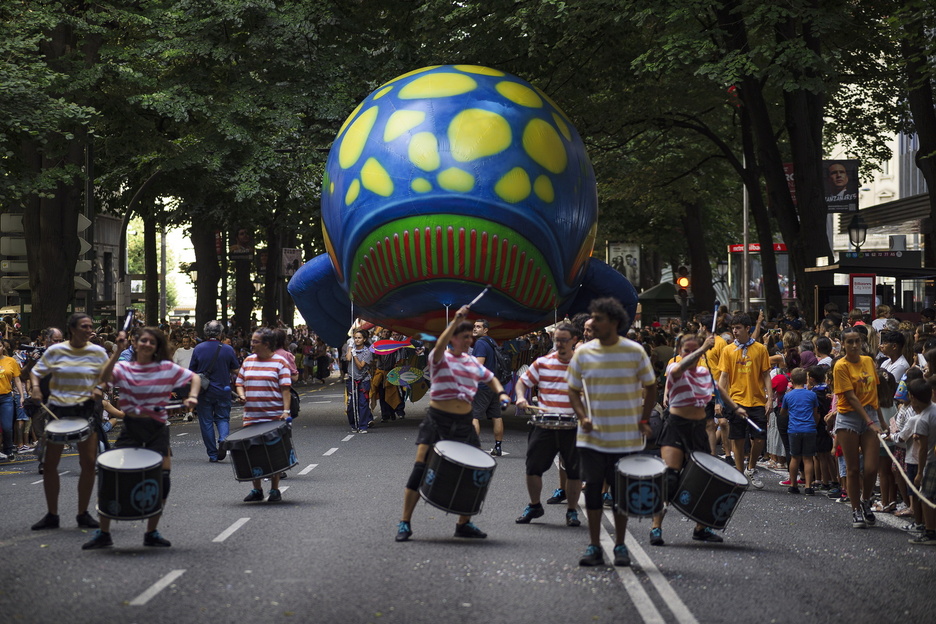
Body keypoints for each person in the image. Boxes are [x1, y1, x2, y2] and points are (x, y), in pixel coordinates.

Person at [395, 305, 509, 542]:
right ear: (453, 339)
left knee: (473, 471)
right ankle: (405, 522)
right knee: (420, 470)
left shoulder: (472, 363)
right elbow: (438, 345)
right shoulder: (439, 358)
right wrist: (455, 321)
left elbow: (491, 379)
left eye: (471, 337)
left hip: (464, 423)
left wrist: (502, 393)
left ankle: (463, 524)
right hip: (437, 421)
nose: (469, 341)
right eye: (465, 337)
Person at [83, 327, 199, 549]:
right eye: (143, 341)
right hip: (131, 429)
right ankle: (103, 532)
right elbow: (103, 378)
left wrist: (192, 397)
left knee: (162, 482)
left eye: (152, 342)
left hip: (157, 429)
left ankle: (151, 532)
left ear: (157, 347)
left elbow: (194, 378)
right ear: (135, 344)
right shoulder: (124, 367)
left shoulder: (166, 367)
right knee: (112, 479)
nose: (147, 344)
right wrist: (117, 351)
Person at [567, 297, 656, 567]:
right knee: (593, 493)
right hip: (591, 439)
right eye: (592, 316)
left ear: (614, 322)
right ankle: (594, 546)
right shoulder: (583, 353)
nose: (592, 322)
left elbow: (651, 386)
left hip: (626, 438)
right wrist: (582, 416)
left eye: (599, 318)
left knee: (620, 496)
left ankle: (620, 546)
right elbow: (572, 388)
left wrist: (643, 419)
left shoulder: (634, 351)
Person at [649, 332, 742, 546]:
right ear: (679, 352)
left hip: (698, 429)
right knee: (670, 479)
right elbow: (683, 366)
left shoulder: (703, 371)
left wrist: (736, 408)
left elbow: (717, 388)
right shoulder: (674, 368)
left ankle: (701, 528)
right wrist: (702, 349)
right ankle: (656, 528)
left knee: (705, 480)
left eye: (695, 350)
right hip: (675, 427)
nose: (690, 354)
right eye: (686, 350)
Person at [29, 314, 108, 531]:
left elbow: (107, 376)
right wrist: (35, 388)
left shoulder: (97, 351)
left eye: (91, 326)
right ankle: (52, 514)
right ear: (72, 329)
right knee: (50, 464)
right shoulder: (56, 351)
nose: (89, 329)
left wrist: (100, 387)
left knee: (89, 464)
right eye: (84, 326)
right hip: (58, 411)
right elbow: (36, 373)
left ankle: (83, 513)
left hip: (85, 411)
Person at [513, 323, 583, 528]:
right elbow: (522, 382)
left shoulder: (583, 365)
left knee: (574, 471)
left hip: (573, 426)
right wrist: (519, 397)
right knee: (532, 468)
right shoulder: (542, 363)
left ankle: (571, 510)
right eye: (556, 340)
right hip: (545, 424)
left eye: (564, 340)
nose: (559, 344)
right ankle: (534, 505)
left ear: (574, 341)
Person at [832, 327, 884, 529]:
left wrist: (879, 420)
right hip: (849, 418)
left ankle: (865, 500)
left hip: (870, 414)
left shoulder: (869, 361)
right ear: (843, 344)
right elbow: (851, 397)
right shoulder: (840, 366)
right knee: (853, 469)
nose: (854, 345)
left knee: (871, 468)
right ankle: (855, 509)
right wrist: (870, 422)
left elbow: (874, 392)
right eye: (849, 342)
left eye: (857, 341)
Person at [235, 328, 292, 502]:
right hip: (251, 415)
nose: (251, 344)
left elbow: (285, 390)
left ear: (266, 344)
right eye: (252, 340)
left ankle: (275, 489)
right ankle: (257, 490)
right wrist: (242, 395)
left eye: (255, 341)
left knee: (273, 453)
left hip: (273, 416)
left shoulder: (280, 362)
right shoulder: (248, 361)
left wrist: (286, 411)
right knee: (253, 454)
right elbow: (239, 383)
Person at [717, 313, 773, 489]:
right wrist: (719, 401)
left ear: (747, 329)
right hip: (736, 400)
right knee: (738, 439)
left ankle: (751, 467)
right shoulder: (727, 350)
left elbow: (766, 374)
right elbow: (723, 377)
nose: (735, 331)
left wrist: (770, 398)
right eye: (733, 328)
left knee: (759, 438)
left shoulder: (760, 349)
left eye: (738, 328)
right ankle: (739, 475)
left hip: (757, 400)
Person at [190, 321, 240, 462]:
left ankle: (212, 454)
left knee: (206, 422)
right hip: (223, 390)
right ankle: (223, 438)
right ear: (220, 333)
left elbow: (191, 372)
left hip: (204, 391)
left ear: (206, 333)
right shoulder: (228, 349)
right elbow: (236, 370)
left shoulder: (198, 349)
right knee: (223, 418)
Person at [780, 368, 820, 495]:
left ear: (791, 380)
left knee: (795, 457)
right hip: (809, 428)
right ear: (805, 380)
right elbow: (815, 413)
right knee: (808, 458)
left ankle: (793, 484)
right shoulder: (812, 395)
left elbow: (783, 412)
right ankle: (808, 486)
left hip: (794, 429)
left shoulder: (788, 396)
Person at [470, 318, 505, 456]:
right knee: (496, 416)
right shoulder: (491, 342)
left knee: (474, 416)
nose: (475, 328)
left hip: (482, 386)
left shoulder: (480, 343)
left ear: (485, 330)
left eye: (478, 327)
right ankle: (498, 447)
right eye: (474, 326)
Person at [0, 340, 25, 460]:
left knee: (7, 426)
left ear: (3, 347)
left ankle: (8, 450)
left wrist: (22, 396)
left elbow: (17, 380)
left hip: (6, 397)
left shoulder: (11, 361)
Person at [346, 329, 373, 433]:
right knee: (351, 405)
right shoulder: (352, 348)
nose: (357, 340)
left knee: (363, 403)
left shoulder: (367, 351)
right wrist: (350, 347)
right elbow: (348, 359)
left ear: (364, 339)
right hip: (352, 379)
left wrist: (355, 355)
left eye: (359, 338)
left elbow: (361, 366)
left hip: (363, 380)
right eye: (355, 338)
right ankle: (353, 425)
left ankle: (363, 426)